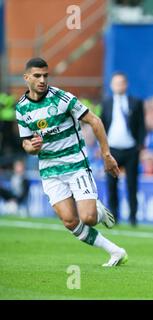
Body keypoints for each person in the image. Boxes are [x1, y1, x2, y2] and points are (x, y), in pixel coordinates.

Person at [15, 57, 127, 267]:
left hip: (76, 165)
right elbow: (26, 143)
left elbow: (95, 121)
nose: (42, 80)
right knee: (70, 221)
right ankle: (115, 251)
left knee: (89, 218)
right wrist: (32, 147)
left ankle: (99, 211)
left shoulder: (61, 98)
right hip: (49, 170)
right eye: (37, 76)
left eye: (45, 76)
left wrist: (106, 155)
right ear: (26, 77)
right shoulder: (21, 108)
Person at [101, 72, 146, 226]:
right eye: (116, 83)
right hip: (112, 150)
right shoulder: (106, 103)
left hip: (131, 149)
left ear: (126, 85)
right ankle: (114, 216)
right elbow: (102, 125)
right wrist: (103, 148)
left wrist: (140, 145)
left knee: (132, 184)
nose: (119, 86)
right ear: (111, 85)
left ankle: (133, 217)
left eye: (121, 83)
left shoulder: (136, 102)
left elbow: (141, 125)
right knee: (111, 184)